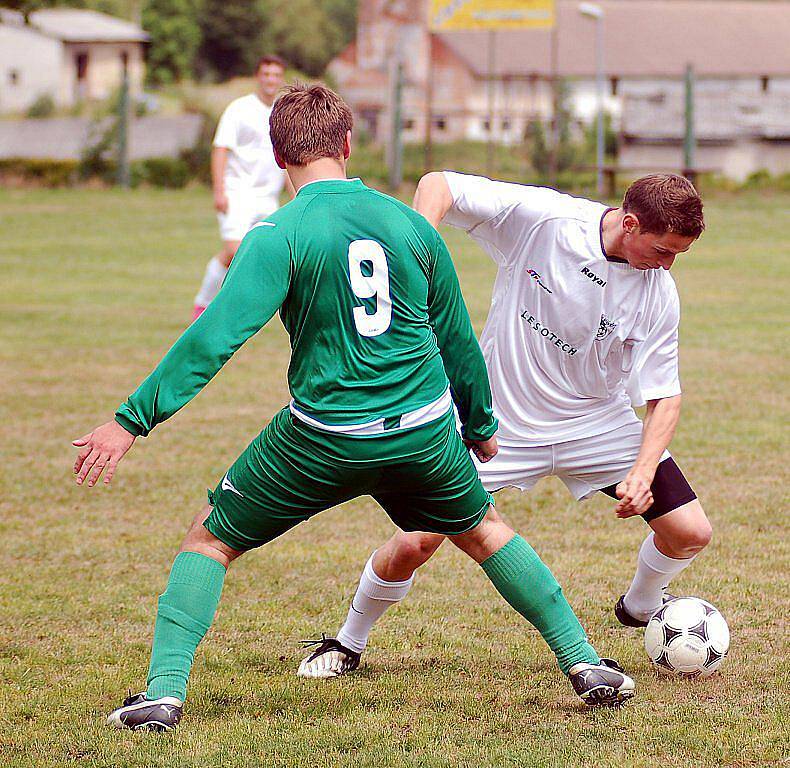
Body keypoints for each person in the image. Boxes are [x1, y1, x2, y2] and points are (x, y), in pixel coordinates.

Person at [72, 85, 634, 732]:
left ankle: (164, 695)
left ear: (280, 157)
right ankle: (585, 663)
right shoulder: (410, 226)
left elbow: (212, 339)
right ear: (346, 146)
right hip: (424, 431)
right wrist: (478, 426)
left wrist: (129, 421)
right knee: (484, 532)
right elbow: (455, 338)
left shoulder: (278, 234)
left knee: (211, 536)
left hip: (324, 437)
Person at [298, 171, 712, 680]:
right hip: (498, 426)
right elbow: (439, 185)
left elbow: (663, 395)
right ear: (630, 223)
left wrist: (644, 470)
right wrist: (412, 255)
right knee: (415, 543)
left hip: (596, 425)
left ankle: (640, 605)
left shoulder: (658, 292)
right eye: (664, 249)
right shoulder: (547, 221)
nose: (668, 264)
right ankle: (346, 641)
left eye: (678, 255)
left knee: (690, 532)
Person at [192, 54, 293, 320]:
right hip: (238, 193)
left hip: (267, 197)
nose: (271, 80)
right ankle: (203, 304)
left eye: (275, 75)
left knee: (265, 254)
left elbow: (287, 159)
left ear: (281, 79)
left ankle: (242, 310)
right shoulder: (239, 109)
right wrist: (219, 191)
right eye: (266, 74)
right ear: (257, 77)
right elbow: (220, 149)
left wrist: (296, 196)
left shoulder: (282, 113)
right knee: (234, 251)